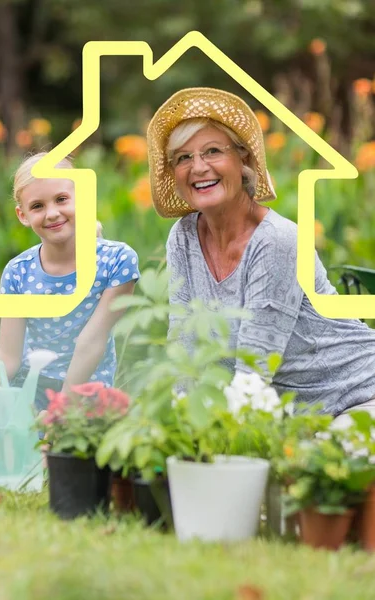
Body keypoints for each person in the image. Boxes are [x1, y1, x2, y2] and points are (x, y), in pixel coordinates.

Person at [147, 87, 375, 421]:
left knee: (324, 459)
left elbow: (253, 376)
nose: (198, 167)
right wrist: (175, 418)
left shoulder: (278, 241)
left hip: (358, 394)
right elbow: (183, 344)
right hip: (294, 416)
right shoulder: (182, 236)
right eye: (183, 157)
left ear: (244, 161)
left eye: (212, 151)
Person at [0, 152, 140, 411]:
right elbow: (8, 356)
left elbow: (91, 341)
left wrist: (61, 410)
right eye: (37, 206)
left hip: (87, 393)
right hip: (28, 392)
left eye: (61, 199)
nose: (52, 213)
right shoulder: (17, 273)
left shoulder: (116, 261)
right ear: (22, 215)